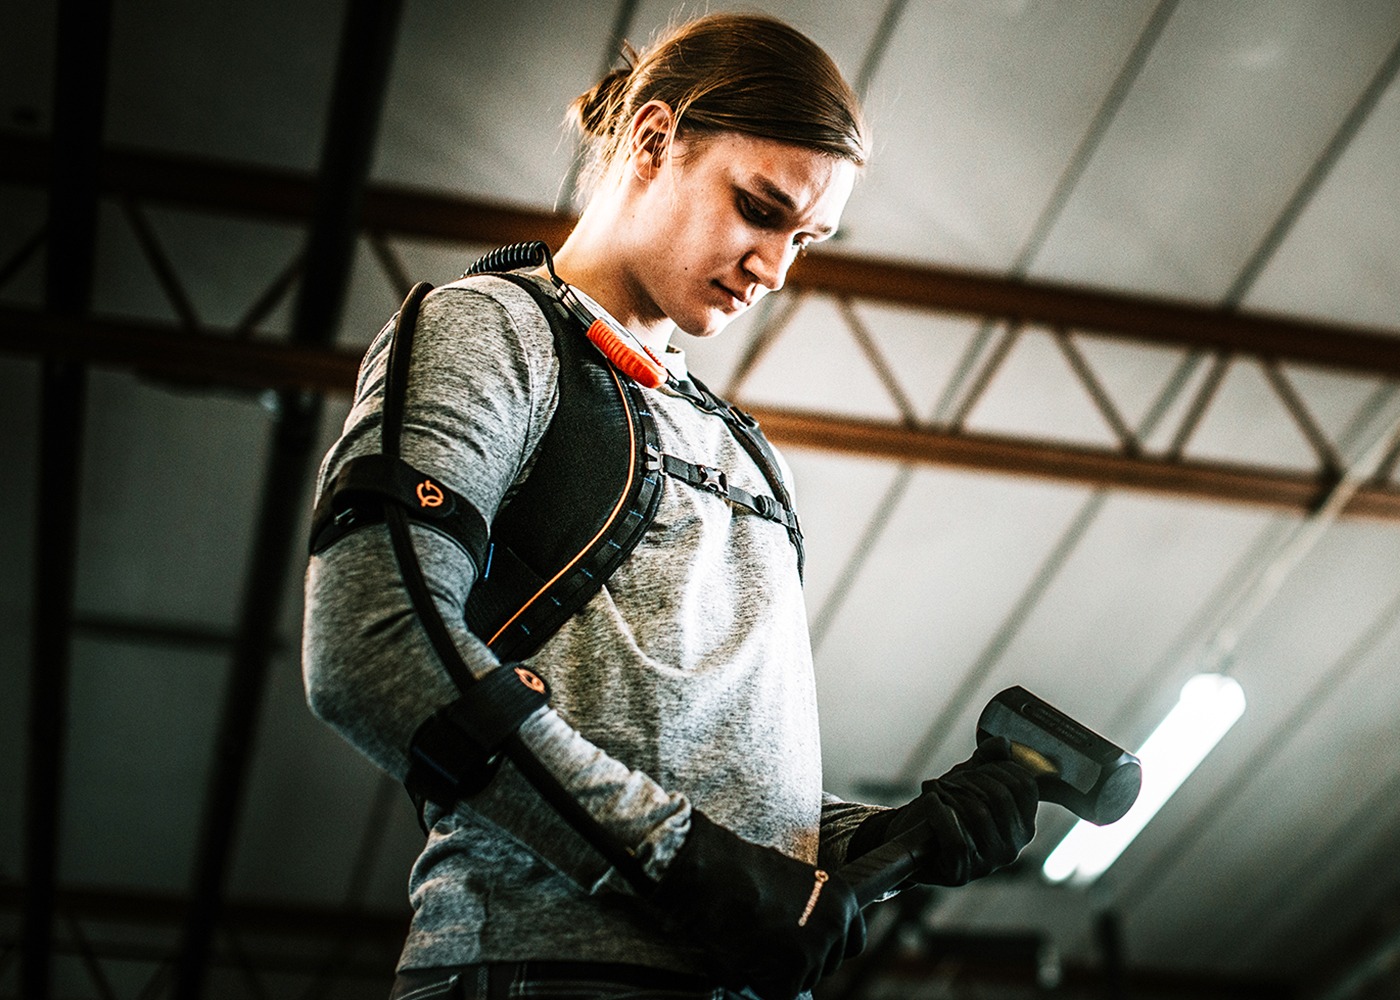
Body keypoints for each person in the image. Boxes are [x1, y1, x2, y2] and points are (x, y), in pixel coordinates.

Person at [302, 13, 1039, 1000]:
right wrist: (681, 863)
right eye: (758, 208)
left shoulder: (739, 445)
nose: (775, 268)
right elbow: (372, 650)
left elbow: (699, 770)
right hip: (542, 973)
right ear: (653, 138)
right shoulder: (496, 332)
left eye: (806, 238)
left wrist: (881, 836)